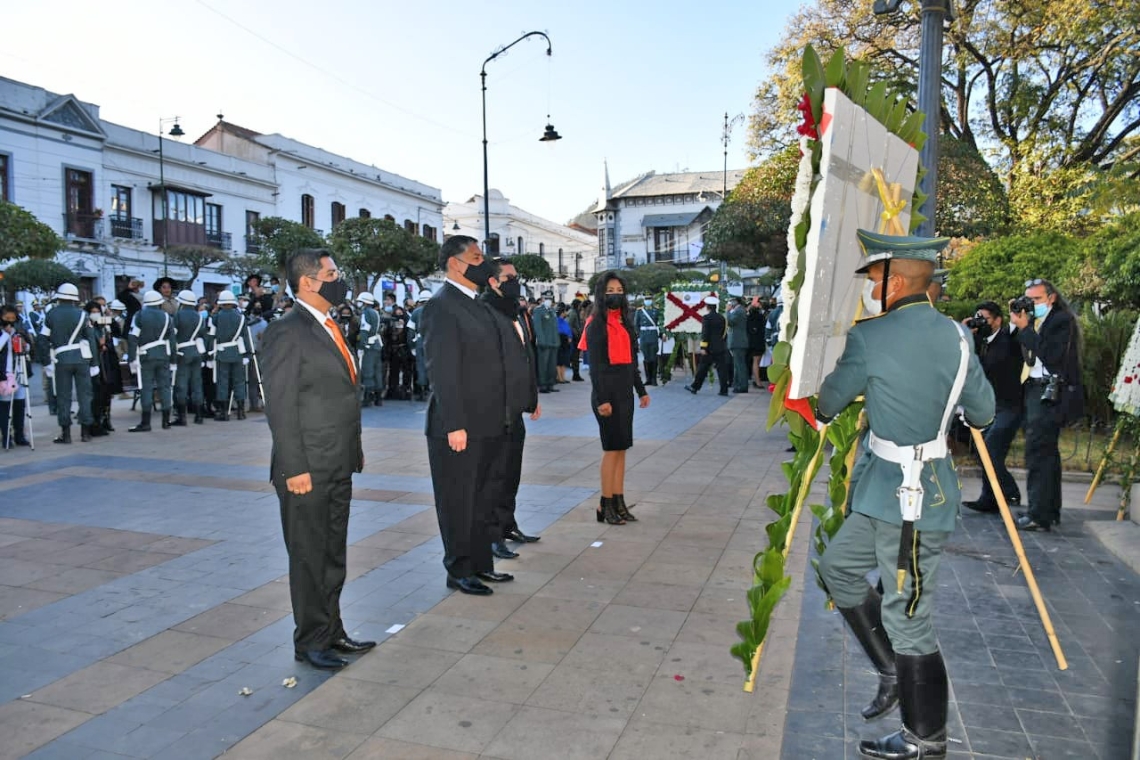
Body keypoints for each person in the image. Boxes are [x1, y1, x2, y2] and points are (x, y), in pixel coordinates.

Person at [815, 230, 994, 760]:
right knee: (838, 568)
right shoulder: (959, 337)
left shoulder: (872, 337)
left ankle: (926, 740)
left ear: (895, 283)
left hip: (911, 503)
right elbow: (982, 413)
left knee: (909, 618)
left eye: (873, 278)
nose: (871, 288)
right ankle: (892, 669)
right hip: (895, 492)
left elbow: (829, 403)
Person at [261, 248, 372, 671]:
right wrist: (295, 469)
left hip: (336, 462)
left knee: (331, 555)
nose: (337, 279)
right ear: (308, 282)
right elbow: (281, 406)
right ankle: (310, 642)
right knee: (309, 558)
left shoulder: (328, 326)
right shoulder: (288, 331)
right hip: (306, 468)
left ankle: (332, 630)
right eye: (330, 273)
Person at [421, 235, 517, 596]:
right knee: (458, 501)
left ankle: (481, 564)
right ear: (454, 264)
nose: (483, 263)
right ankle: (459, 569)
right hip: (458, 425)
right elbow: (442, 370)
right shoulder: (441, 306)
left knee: (483, 497)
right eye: (476, 257)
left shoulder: (477, 303)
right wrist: (455, 423)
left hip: (489, 420)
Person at [1009, 279, 1084, 532]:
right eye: (1028, 299)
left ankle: (1038, 514)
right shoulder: (1037, 321)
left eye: (1037, 300)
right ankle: (1047, 510)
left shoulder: (1061, 321)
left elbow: (1051, 356)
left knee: (1039, 452)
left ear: (1051, 298)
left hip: (1050, 392)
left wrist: (1026, 330)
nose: (1032, 305)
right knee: (1046, 453)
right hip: (1036, 389)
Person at [481, 259, 542, 558]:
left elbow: (524, 358)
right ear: (493, 281)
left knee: (512, 471)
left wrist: (532, 398)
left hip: (515, 408)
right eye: (509, 277)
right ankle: (491, 535)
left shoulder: (514, 313)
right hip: (495, 408)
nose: (515, 282)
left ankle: (508, 524)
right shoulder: (487, 313)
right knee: (496, 474)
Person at [582, 271, 650, 524]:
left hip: (625, 394)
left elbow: (632, 363)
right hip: (606, 394)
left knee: (622, 449)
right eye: (610, 291)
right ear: (601, 294)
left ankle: (619, 501)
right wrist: (602, 400)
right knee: (611, 450)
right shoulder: (596, 324)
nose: (615, 295)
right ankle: (605, 504)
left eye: (619, 291)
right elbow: (596, 367)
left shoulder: (625, 322)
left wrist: (641, 391)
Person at [961, 301, 1024, 514]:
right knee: (985, 453)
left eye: (985, 318)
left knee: (989, 450)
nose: (982, 323)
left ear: (998, 320)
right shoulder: (978, 341)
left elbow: (1018, 332)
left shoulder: (1009, 339)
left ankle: (1007, 492)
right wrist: (965, 332)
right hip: (990, 406)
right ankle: (991, 497)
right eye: (978, 317)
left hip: (1010, 406)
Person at [38, 283, 99, 443]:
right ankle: (85, 433)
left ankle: (66, 434)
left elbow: (43, 340)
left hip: (61, 359)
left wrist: (46, 362)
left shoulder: (51, 314)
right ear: (74, 298)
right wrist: (94, 363)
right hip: (81, 359)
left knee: (63, 397)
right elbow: (91, 339)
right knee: (85, 396)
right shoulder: (82, 314)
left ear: (59, 297)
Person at [126, 291, 176, 432]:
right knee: (165, 387)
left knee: (146, 388)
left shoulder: (139, 315)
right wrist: (173, 359)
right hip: (163, 355)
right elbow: (172, 340)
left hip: (145, 356)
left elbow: (132, 338)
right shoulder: (167, 317)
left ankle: (145, 422)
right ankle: (166, 421)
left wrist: (131, 358)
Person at [210, 291, 253, 421]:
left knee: (222, 382)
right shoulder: (241, 317)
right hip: (238, 352)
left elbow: (211, 336)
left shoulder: (216, 317)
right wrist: (248, 354)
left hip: (222, 352)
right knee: (239, 382)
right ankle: (241, 412)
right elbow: (246, 336)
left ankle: (223, 413)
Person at [173, 290, 209, 425]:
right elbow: (203, 335)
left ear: (181, 302)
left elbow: (173, 336)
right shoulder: (200, 317)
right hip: (197, 352)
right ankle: (199, 416)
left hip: (182, 351)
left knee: (181, 385)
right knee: (197, 384)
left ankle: (182, 417)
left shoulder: (178, 315)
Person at [84, 300, 120, 436]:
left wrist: (109, 317)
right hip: (94, 364)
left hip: (106, 364)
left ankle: (104, 420)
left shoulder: (103, 324)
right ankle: (93, 424)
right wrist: (100, 345)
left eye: (98, 311)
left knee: (105, 394)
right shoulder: (87, 325)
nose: (96, 314)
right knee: (94, 395)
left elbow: (117, 331)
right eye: (93, 312)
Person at [1, 305, 33, 448]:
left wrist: (25, 344)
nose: (10, 321)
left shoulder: (19, 330)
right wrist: (6, 335)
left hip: (19, 372)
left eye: (13, 318)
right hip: (4, 374)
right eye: (6, 318)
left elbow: (29, 347)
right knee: (5, 406)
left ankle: (20, 435)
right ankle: (6, 436)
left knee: (20, 405)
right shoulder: (4, 333)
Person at [685, 296, 730, 396]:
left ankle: (695, 387)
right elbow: (725, 333)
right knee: (722, 369)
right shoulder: (722, 318)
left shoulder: (707, 318)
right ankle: (724, 390)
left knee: (702, 368)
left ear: (707, 307)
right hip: (720, 347)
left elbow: (705, 334)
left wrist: (703, 347)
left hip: (709, 348)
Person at [354, 292, 385, 407]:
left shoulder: (366, 313)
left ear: (364, 302)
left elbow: (364, 330)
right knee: (377, 371)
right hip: (376, 344)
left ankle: (368, 397)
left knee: (368, 371)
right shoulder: (375, 312)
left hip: (369, 345)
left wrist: (362, 345)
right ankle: (378, 398)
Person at [532, 290, 560, 393]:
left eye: (550, 299)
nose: (549, 300)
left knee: (552, 365)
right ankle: (543, 384)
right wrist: (541, 341)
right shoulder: (538, 310)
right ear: (542, 299)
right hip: (544, 342)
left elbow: (554, 327)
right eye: (547, 298)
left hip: (553, 342)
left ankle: (550, 384)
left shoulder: (552, 311)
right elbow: (538, 327)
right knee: (543, 365)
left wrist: (557, 341)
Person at [407, 290, 432, 401]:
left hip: (420, 342)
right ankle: (430, 391)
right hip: (433, 342)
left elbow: (410, 331)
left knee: (421, 367)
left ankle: (422, 391)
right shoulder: (437, 311)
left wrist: (412, 345)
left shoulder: (416, 312)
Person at [634, 297, 660, 386]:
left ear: (652, 300)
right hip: (644, 336)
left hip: (653, 335)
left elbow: (660, 322)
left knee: (653, 357)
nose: (647, 301)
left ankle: (654, 379)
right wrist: (639, 336)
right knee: (646, 358)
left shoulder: (656, 310)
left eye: (649, 299)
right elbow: (636, 324)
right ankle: (648, 379)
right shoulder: (639, 311)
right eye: (646, 299)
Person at [727, 297, 750, 393]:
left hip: (738, 342)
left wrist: (727, 312)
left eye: (732, 300)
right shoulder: (738, 310)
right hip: (737, 342)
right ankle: (737, 384)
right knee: (737, 365)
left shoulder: (739, 311)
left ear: (736, 301)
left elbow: (730, 322)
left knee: (740, 365)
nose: (730, 302)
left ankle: (742, 385)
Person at [747, 297, 769, 387]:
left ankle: (756, 380)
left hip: (751, 342)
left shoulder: (748, 318)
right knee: (757, 362)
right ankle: (757, 381)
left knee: (755, 362)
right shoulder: (761, 318)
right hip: (759, 342)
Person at [556, 304, 573, 383]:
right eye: (564, 312)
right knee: (559, 360)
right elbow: (559, 331)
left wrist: (570, 336)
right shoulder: (557, 321)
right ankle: (559, 377)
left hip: (566, 342)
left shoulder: (564, 321)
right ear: (561, 313)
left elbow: (568, 330)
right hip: (560, 341)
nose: (566, 313)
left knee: (564, 360)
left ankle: (563, 377)